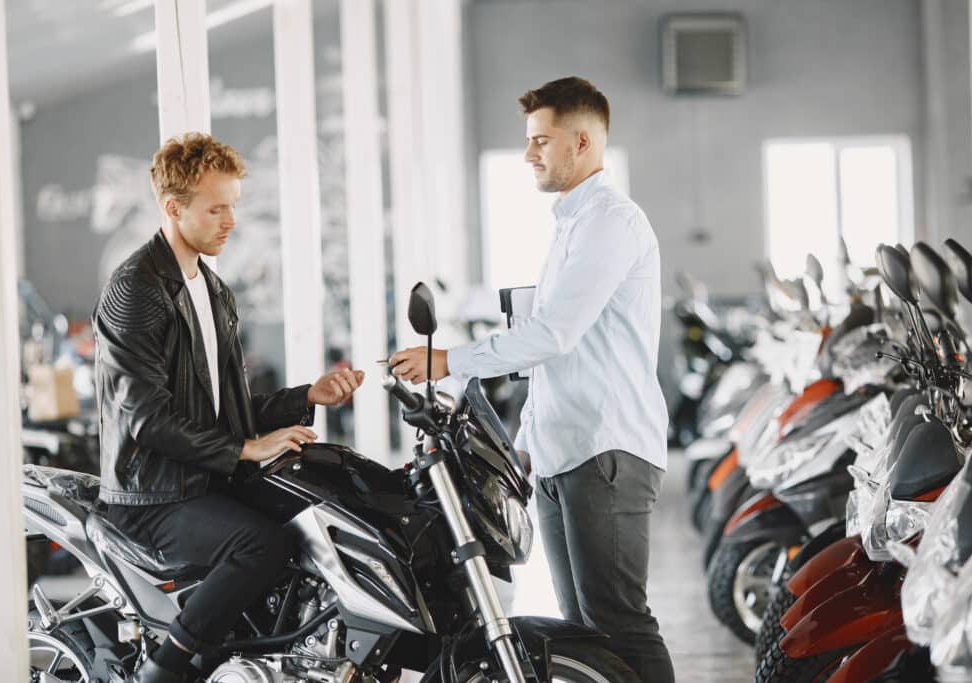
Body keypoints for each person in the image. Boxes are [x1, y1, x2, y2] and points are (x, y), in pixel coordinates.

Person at [390, 77, 674, 682]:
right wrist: (523, 439)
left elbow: (553, 335)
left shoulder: (611, 222)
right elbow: (560, 354)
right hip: (561, 448)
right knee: (583, 629)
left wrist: (448, 361)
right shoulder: (572, 224)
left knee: (619, 621)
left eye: (541, 141)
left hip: (605, 447)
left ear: (582, 141)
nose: (529, 155)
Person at [93, 132, 364, 683]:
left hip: (202, 479)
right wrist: (245, 447)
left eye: (233, 207)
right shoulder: (136, 290)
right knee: (260, 545)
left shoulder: (212, 289)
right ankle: (164, 668)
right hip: (152, 495)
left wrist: (306, 397)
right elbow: (147, 419)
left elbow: (224, 408)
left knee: (318, 510)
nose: (230, 222)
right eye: (216, 209)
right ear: (174, 208)